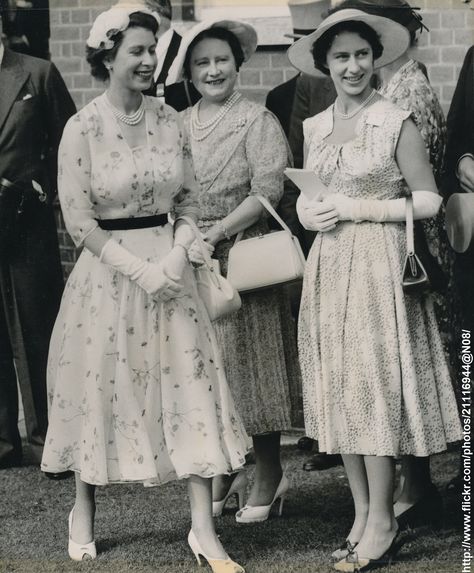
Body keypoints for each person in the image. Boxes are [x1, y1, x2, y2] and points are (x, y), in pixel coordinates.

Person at [40, 7, 249, 571]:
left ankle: (203, 530)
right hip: (109, 276)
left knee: (193, 387)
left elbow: (187, 201)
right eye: (136, 50)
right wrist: (140, 270)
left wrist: (178, 255)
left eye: (152, 49)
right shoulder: (80, 128)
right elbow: (78, 221)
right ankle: (83, 508)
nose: (148, 59)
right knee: (98, 388)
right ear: (107, 57)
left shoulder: (171, 120)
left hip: (173, 272)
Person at [289, 8, 462, 570]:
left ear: (376, 58)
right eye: (341, 56)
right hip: (329, 267)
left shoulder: (395, 119)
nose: (353, 65)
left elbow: (430, 200)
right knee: (340, 389)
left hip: (378, 268)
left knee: (373, 390)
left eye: (362, 54)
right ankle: (362, 513)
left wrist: (357, 207)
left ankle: (385, 520)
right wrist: (306, 210)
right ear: (325, 64)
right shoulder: (315, 126)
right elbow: (309, 190)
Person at [167, 19, 300, 524]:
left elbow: (267, 191)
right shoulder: (177, 124)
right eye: (202, 62)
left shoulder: (257, 119)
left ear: (237, 64)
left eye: (221, 59)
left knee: (251, 369)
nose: (213, 69)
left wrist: (216, 233)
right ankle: (225, 467)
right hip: (189, 258)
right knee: (207, 372)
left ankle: (269, 471)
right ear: (189, 72)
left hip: (241, 259)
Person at [0, 1, 75, 471]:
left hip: (27, 222)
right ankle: (4, 443)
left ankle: (52, 438)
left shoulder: (37, 74)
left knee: (39, 327)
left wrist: (41, 188)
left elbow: (69, 141)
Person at [117, 0, 201, 110]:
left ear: (155, 12)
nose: (128, 21)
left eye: (134, 13)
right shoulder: (130, 53)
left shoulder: (187, 50)